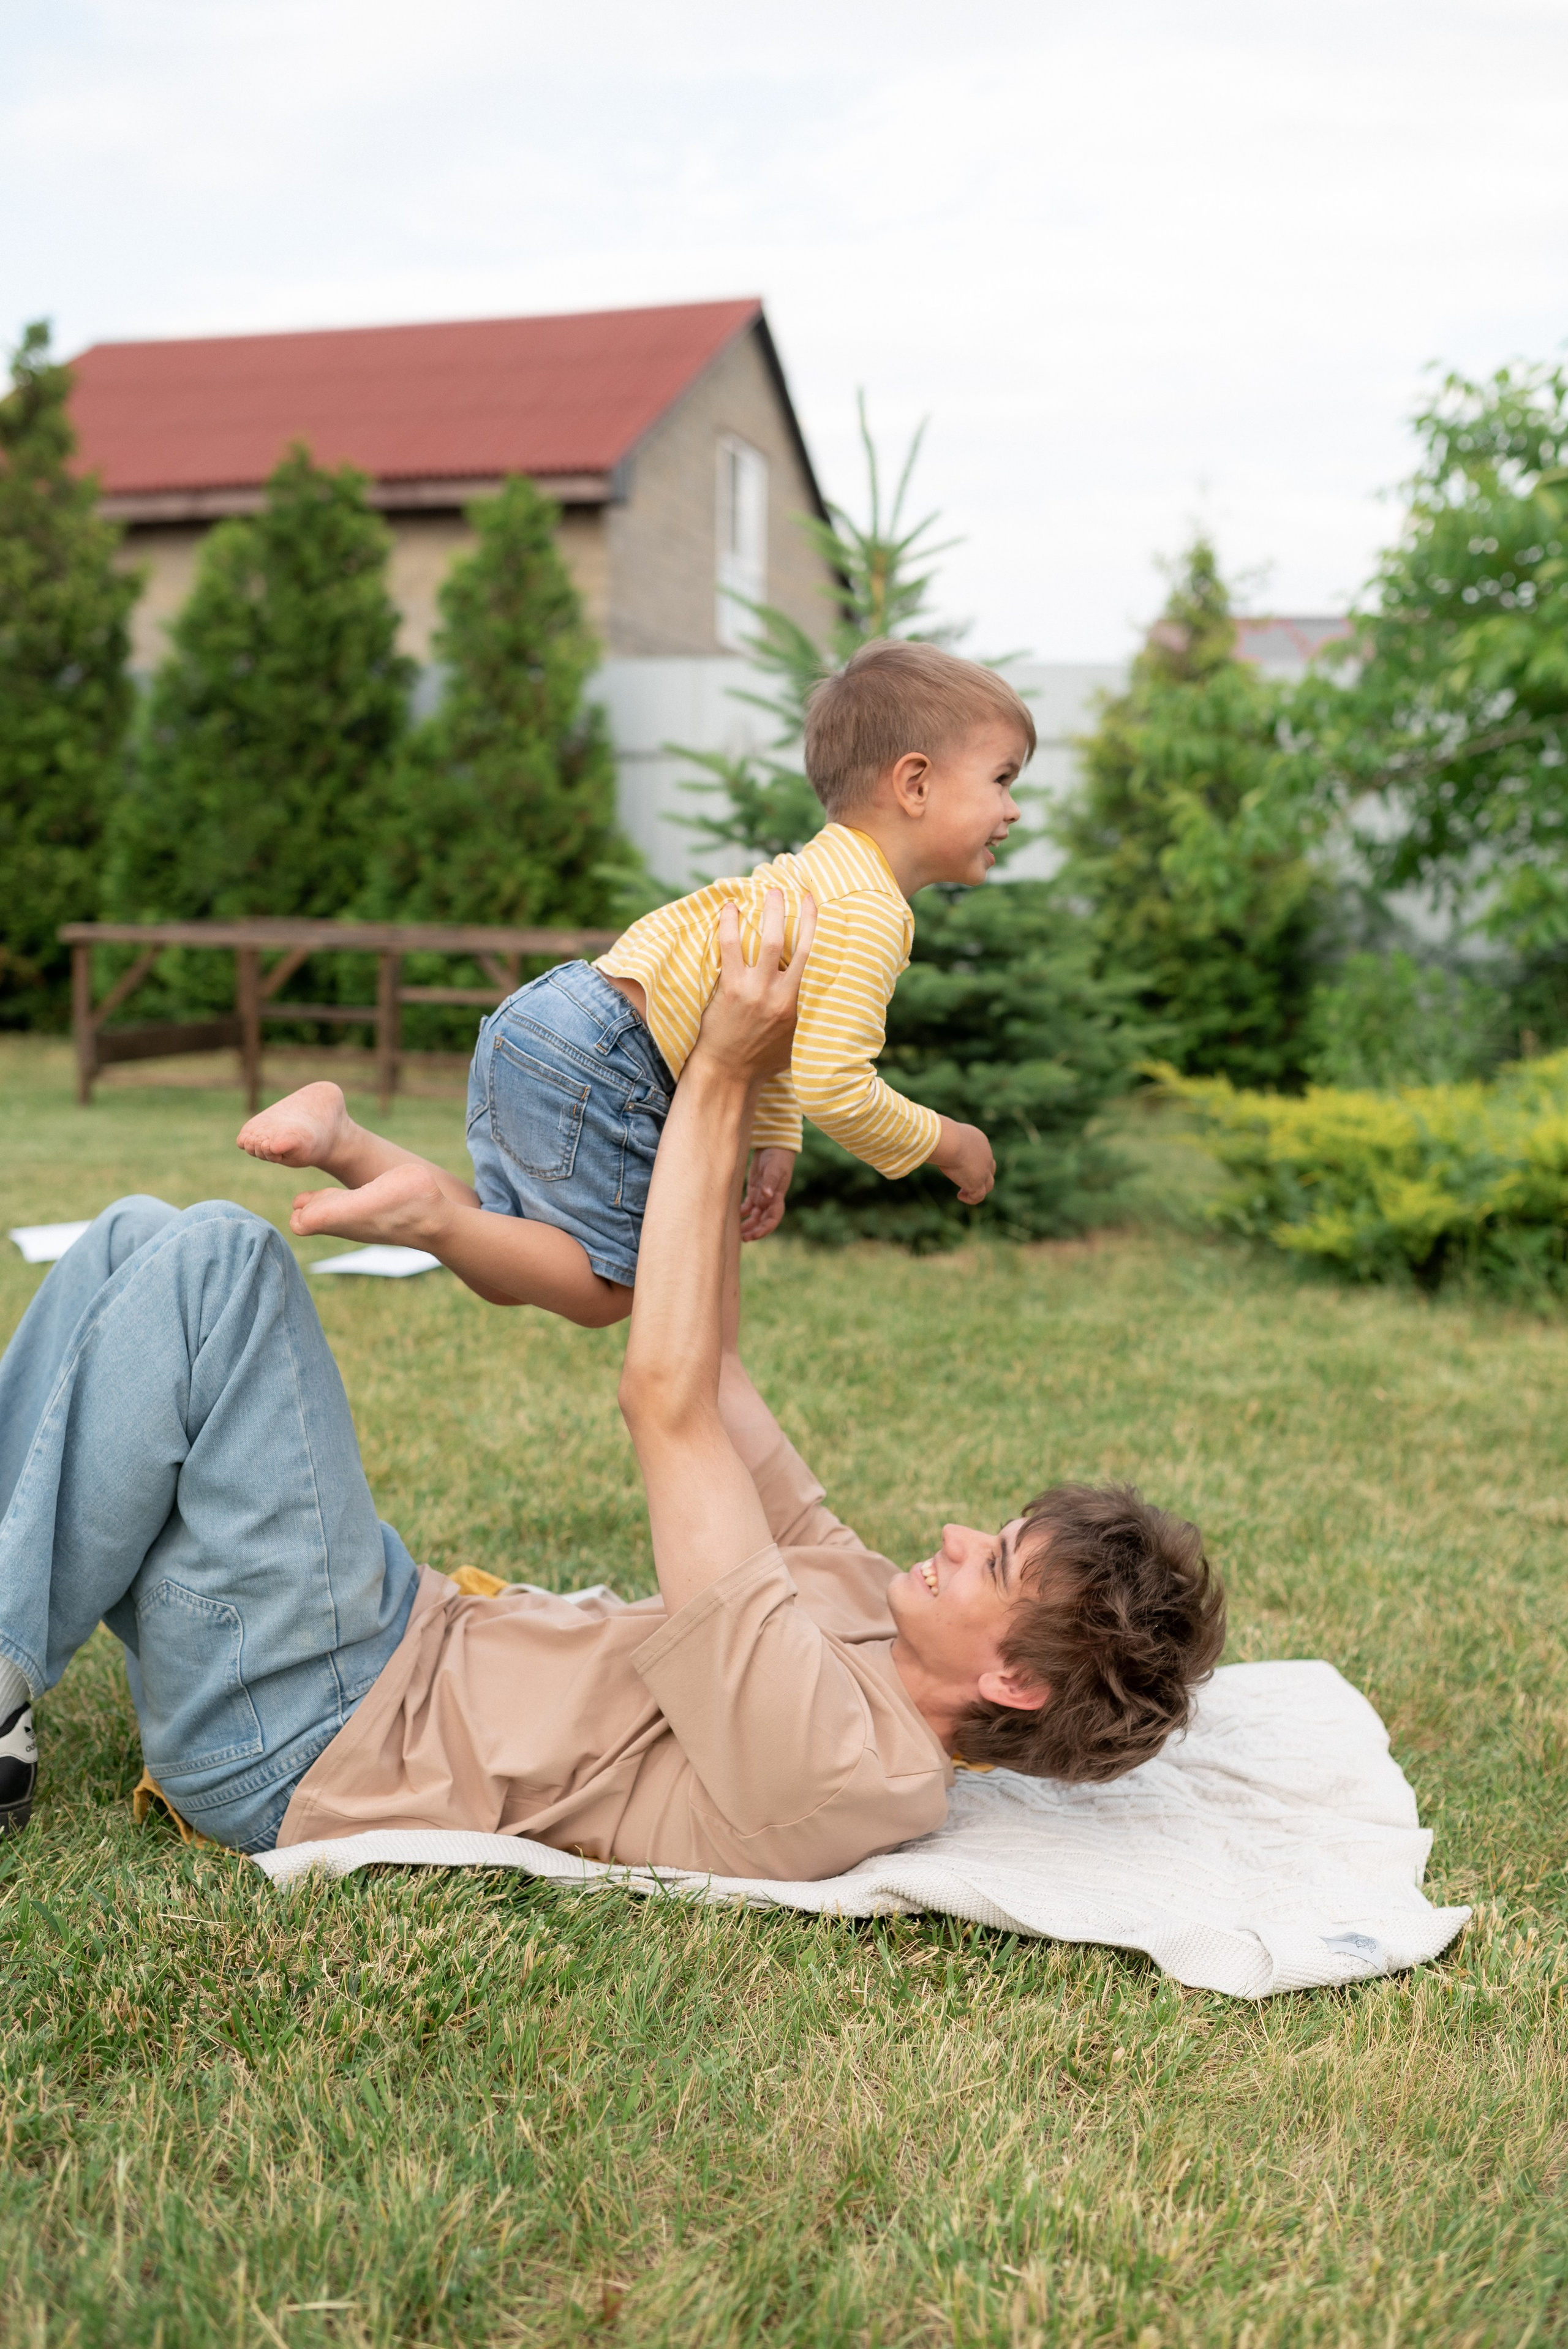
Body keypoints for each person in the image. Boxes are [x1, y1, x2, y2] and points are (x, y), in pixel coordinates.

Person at [0, 897, 1225, 1863]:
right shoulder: (860, 1596)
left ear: (1009, 1678)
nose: (957, 1536)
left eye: (994, 1563)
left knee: (220, 1258)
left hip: (310, 1735)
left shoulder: (844, 1768)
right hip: (380, 1634)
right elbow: (713, 1367)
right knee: (132, 1236)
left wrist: (720, 1078)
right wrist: (742, 1132)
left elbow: (668, 1399)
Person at [233, 640, 1035, 1327]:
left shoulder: (822, 877)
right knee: (608, 1290)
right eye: (1003, 779)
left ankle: (346, 1143)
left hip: (554, 1011)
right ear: (917, 784)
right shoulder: (873, 912)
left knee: (513, 1245)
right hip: (613, 1059)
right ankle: (427, 1215)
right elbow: (835, 1081)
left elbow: (783, 1016)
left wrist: (774, 1140)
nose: (1014, 810)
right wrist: (949, 1142)